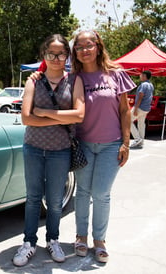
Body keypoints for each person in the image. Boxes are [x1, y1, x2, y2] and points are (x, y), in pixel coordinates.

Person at [30, 30, 136, 263]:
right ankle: (81, 237)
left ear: (98, 46)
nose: (85, 50)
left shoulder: (115, 74)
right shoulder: (73, 77)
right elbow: (50, 77)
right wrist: (38, 75)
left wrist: (126, 143)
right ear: (74, 52)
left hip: (111, 144)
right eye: (79, 47)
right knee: (83, 193)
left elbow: (125, 111)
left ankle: (99, 240)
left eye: (89, 45)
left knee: (101, 194)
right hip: (82, 143)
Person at [12, 34, 85, 267]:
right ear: (44, 55)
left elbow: (79, 115)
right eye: (51, 54)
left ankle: (53, 239)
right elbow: (25, 118)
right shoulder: (33, 81)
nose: (56, 58)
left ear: (67, 55)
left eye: (61, 54)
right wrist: (59, 118)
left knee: (54, 201)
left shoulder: (74, 81)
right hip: (33, 148)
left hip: (60, 150)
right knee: (33, 198)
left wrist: (43, 113)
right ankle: (29, 242)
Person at [130, 70, 154, 148]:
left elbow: (140, 96)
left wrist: (136, 108)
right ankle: (141, 141)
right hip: (146, 108)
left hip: (140, 107)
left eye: (141, 75)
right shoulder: (151, 85)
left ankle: (137, 139)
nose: (140, 76)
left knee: (127, 121)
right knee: (141, 124)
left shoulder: (143, 85)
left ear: (144, 76)